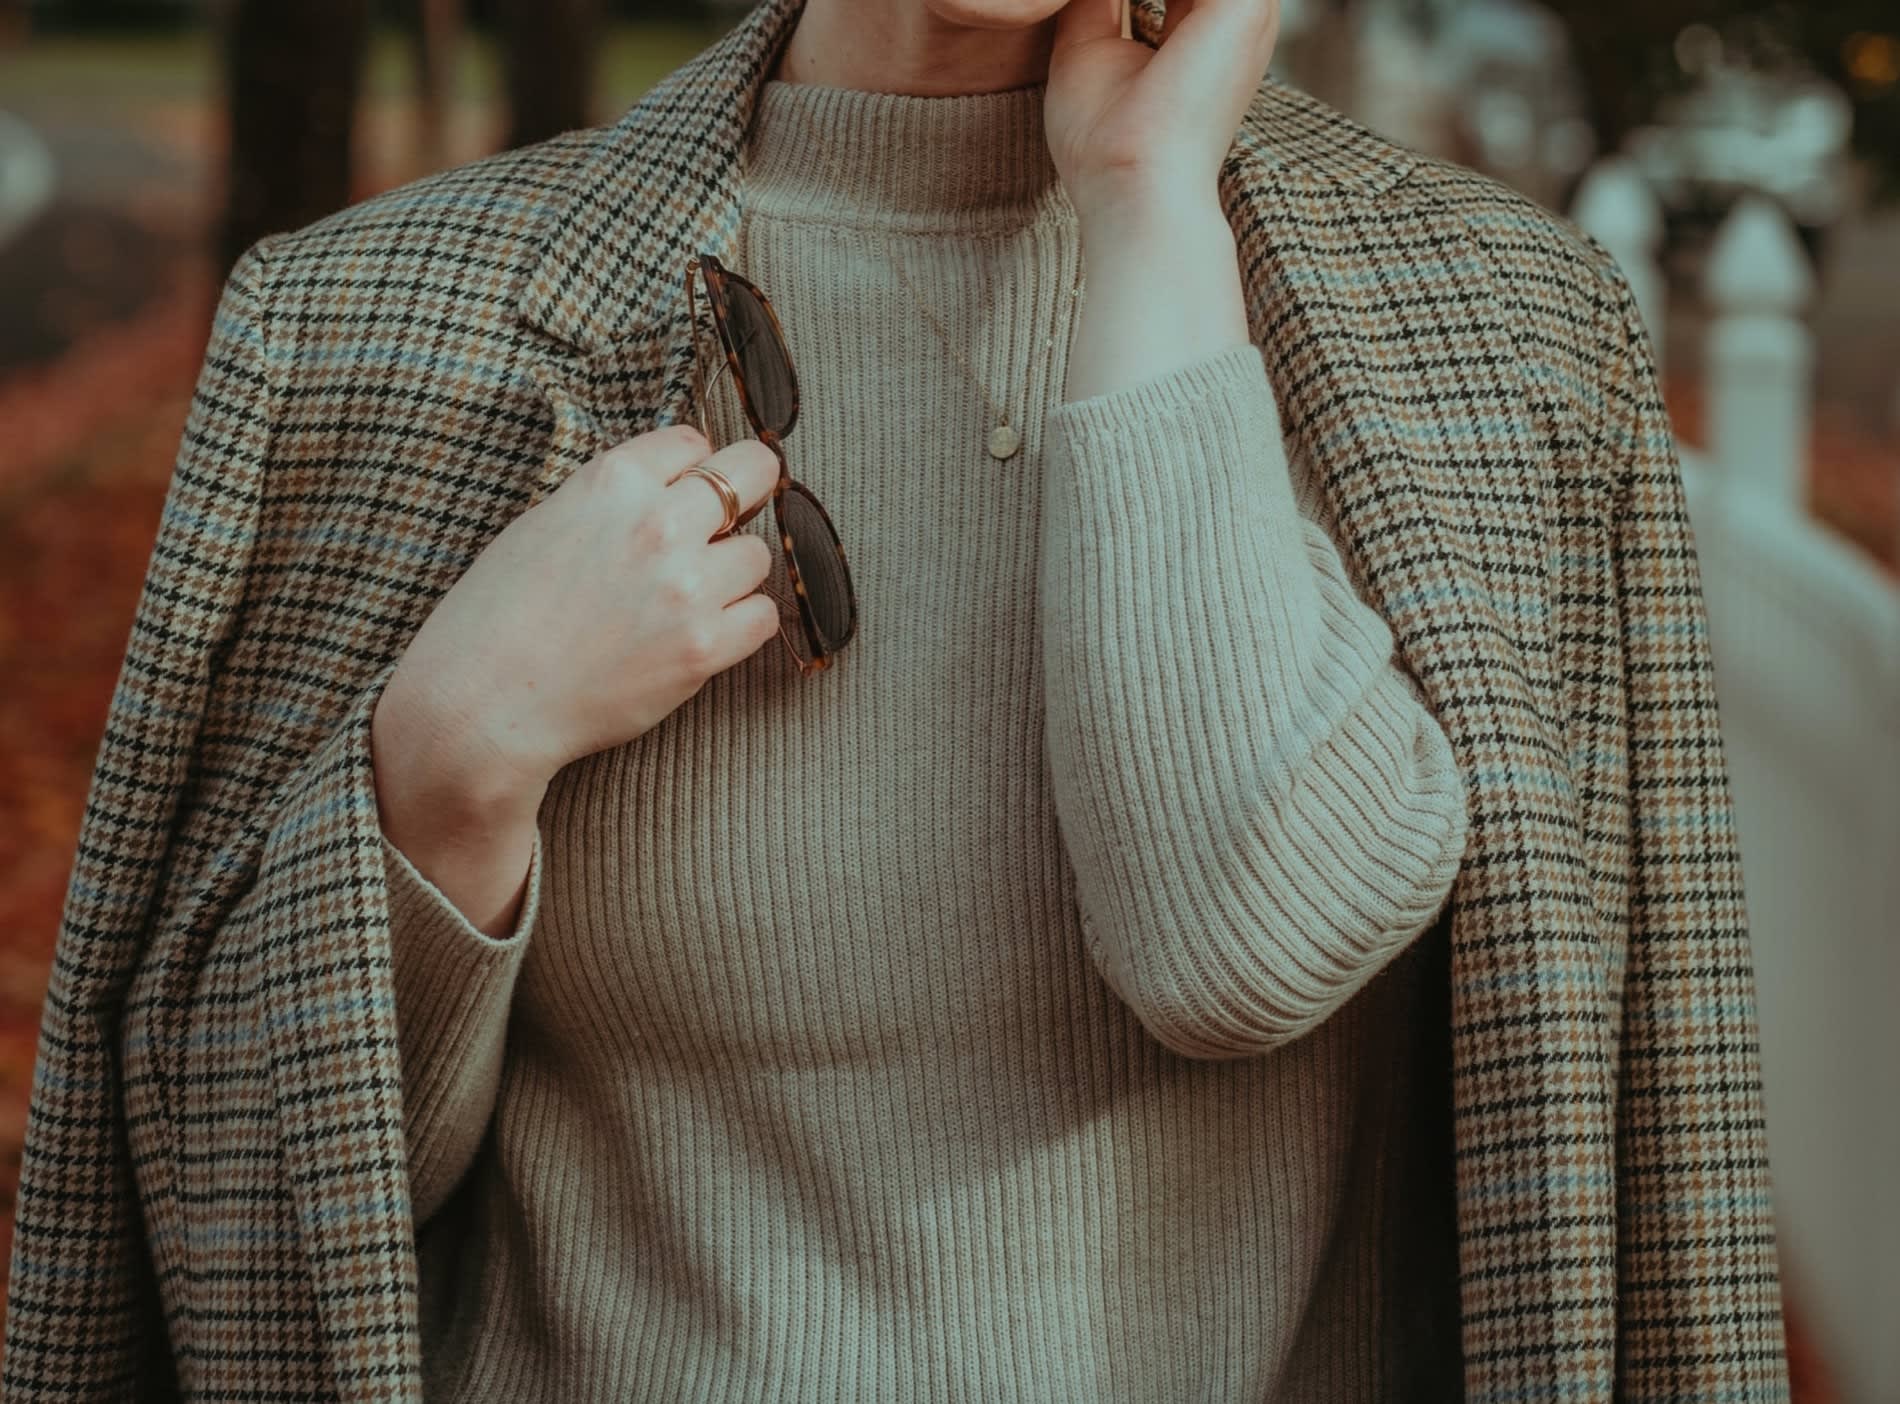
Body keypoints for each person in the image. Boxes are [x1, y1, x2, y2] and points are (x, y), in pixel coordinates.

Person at [2, 0, 1791, 1398]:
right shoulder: (363, 333)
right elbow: (238, 1227)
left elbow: (1237, 942)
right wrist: (451, 769)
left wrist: (1151, 210)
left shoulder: (1509, 335)